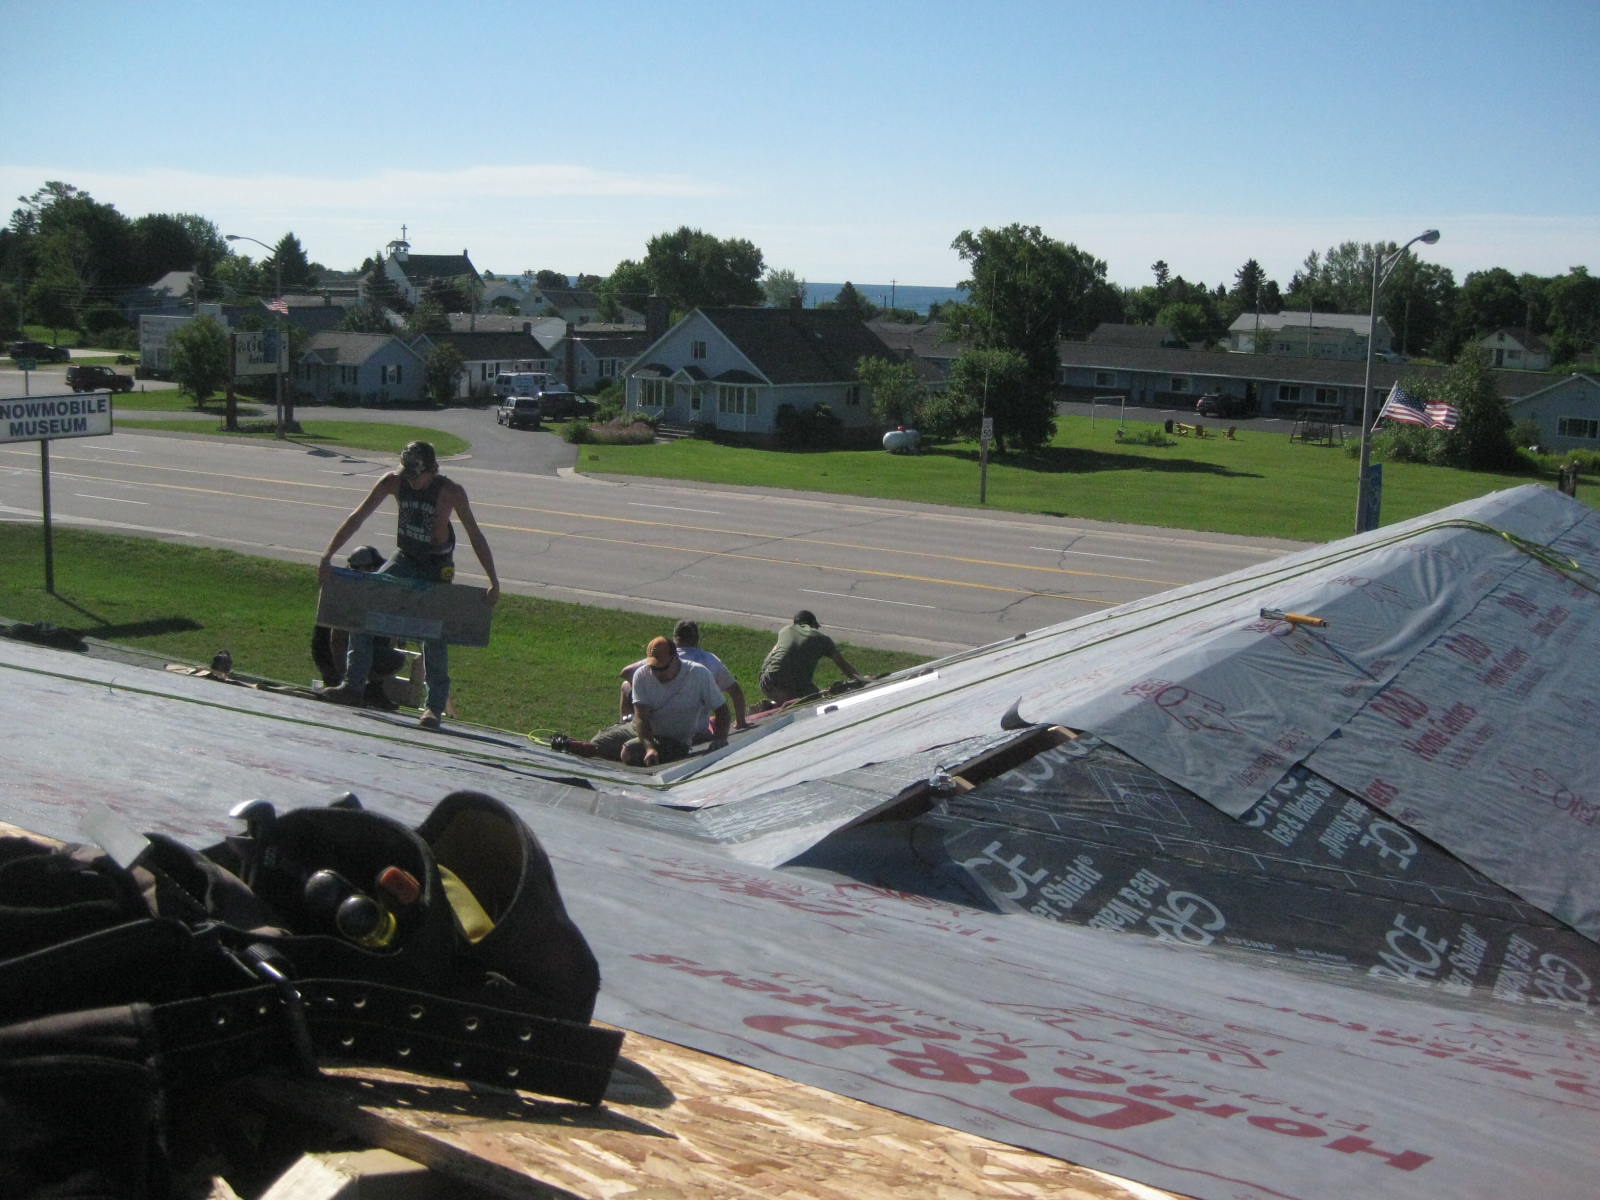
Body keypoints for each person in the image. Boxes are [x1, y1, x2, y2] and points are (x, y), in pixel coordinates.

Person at [316, 441, 500, 729]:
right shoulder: (393, 482)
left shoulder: (450, 491)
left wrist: (493, 580)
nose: (410, 482)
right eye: (407, 475)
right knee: (366, 602)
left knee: (433, 631)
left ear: (431, 470)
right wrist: (328, 555)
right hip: (405, 557)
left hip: (436, 564)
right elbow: (358, 517)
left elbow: (475, 535)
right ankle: (353, 685)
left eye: (416, 476)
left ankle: (434, 708)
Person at [571, 637, 729, 766]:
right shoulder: (642, 675)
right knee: (598, 743)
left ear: (675, 659)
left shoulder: (699, 674)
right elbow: (641, 717)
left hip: (674, 738)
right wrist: (650, 747)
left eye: (662, 668)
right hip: (641, 729)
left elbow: (722, 709)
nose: (657, 673)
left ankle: (644, 754)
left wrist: (720, 738)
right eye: (654, 668)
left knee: (629, 752)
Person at [311, 544, 407, 710]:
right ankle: (353, 688)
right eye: (373, 568)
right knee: (389, 656)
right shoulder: (347, 592)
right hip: (331, 655)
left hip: (343, 653)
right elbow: (336, 640)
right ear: (363, 568)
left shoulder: (361, 589)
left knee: (386, 646)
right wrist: (344, 680)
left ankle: (372, 691)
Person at [618, 618, 751, 735]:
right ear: (697, 639)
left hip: (661, 729)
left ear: (675, 638)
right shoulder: (711, 661)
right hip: (698, 730)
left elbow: (626, 672)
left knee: (626, 686)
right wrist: (741, 722)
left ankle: (627, 724)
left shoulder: (666, 659)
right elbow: (735, 691)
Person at [758, 609, 863, 705]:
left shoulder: (785, 630)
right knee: (817, 702)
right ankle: (781, 704)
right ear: (812, 624)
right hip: (790, 682)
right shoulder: (824, 640)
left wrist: (764, 678)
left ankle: (774, 705)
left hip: (767, 682)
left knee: (806, 696)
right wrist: (861, 679)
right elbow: (844, 666)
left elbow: (771, 657)